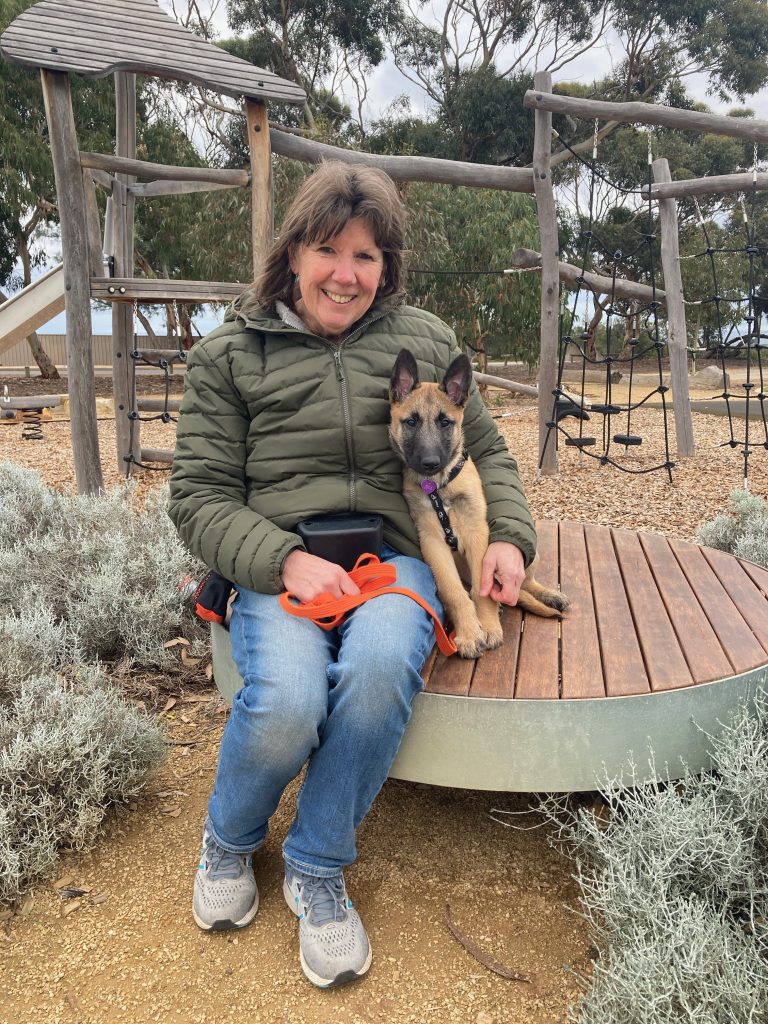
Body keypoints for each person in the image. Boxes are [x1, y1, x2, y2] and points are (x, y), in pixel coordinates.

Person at [168, 161, 537, 988]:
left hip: (394, 556)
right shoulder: (230, 354)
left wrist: (509, 537)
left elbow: (491, 452)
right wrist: (280, 560)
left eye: (366, 257)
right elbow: (196, 496)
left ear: (387, 266)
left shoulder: (426, 342)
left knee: (375, 673)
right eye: (329, 250)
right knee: (291, 697)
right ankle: (229, 842)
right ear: (293, 252)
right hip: (278, 560)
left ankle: (317, 864)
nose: (346, 273)